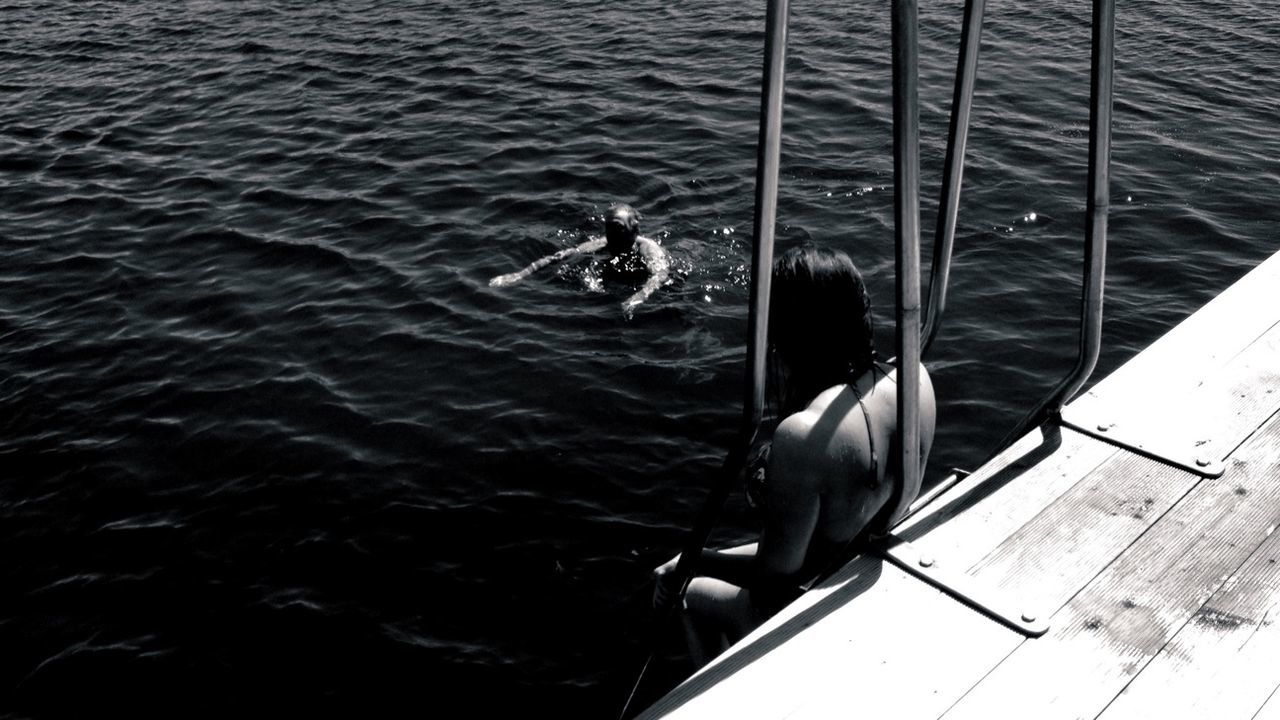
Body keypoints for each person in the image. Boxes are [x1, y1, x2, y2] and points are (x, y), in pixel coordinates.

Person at [652, 243, 937, 667]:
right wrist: (692, 560)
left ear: (792, 331)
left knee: (682, 595)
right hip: (857, 565)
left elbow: (773, 582)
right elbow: (822, 542)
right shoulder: (914, 379)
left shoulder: (805, 435)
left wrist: (687, 568)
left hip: (809, 603)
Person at [488, 203, 670, 318]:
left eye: (619, 228)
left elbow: (661, 275)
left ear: (634, 230)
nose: (613, 234)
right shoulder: (602, 243)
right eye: (609, 228)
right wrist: (519, 275)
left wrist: (639, 297)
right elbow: (557, 257)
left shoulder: (647, 248)